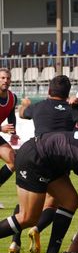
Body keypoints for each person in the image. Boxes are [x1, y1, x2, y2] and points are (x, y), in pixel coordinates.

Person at [8, 75, 74, 253]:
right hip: (53, 159)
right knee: (29, 215)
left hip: (36, 154)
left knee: (69, 201)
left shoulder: (39, 107)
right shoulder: (72, 111)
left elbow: (22, 113)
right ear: (67, 94)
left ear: (48, 91)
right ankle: (36, 232)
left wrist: (24, 103)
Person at [0, 68, 19, 215]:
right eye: (2, 78)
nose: (5, 81)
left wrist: (13, 133)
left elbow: (11, 116)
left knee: (13, 160)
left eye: (7, 78)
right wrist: (1, 128)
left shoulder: (12, 98)